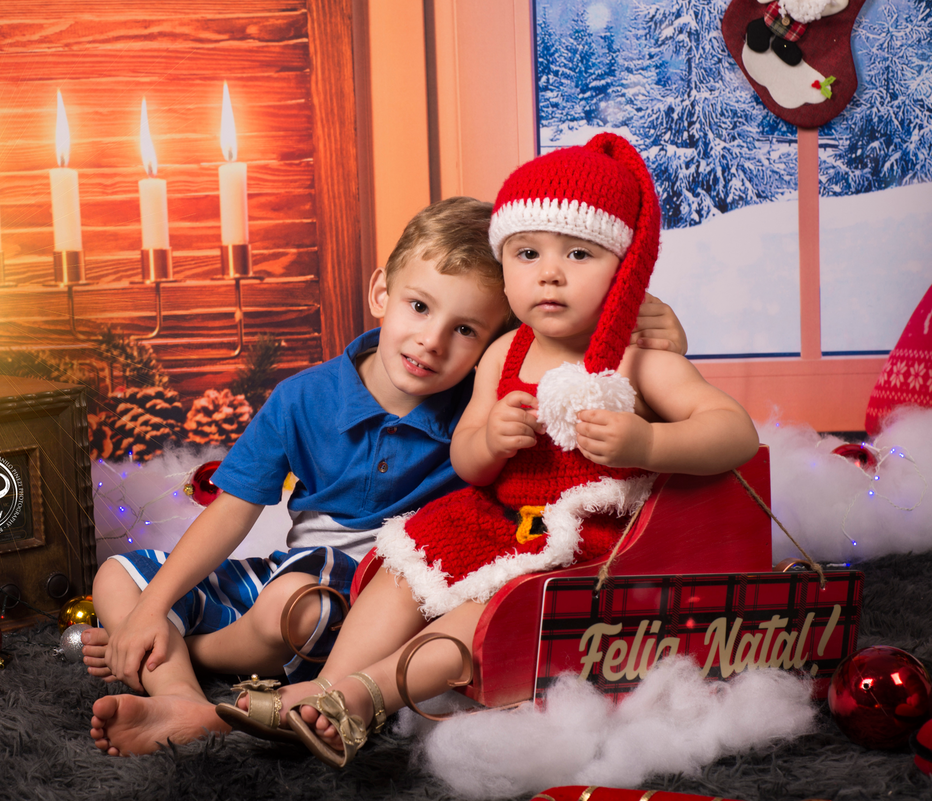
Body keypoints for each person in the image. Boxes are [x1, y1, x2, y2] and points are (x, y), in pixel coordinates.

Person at [86, 195, 689, 756]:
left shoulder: (481, 410)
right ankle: (183, 700)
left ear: (500, 345)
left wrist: (663, 338)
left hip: (371, 600)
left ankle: (195, 662)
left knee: (292, 604)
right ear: (382, 291)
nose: (430, 341)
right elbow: (233, 509)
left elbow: (593, 379)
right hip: (295, 572)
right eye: (419, 306)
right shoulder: (305, 397)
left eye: (465, 331)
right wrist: (151, 606)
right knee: (120, 578)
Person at [226, 133, 760, 768]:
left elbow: (735, 432)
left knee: (484, 613)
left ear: (624, 271)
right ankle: (320, 689)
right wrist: (492, 439)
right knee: (406, 567)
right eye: (527, 252)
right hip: (498, 523)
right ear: (504, 264)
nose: (550, 273)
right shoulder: (505, 353)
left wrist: (649, 439)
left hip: (584, 545)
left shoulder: (639, 359)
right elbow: (465, 459)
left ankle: (361, 698)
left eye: (581, 254)